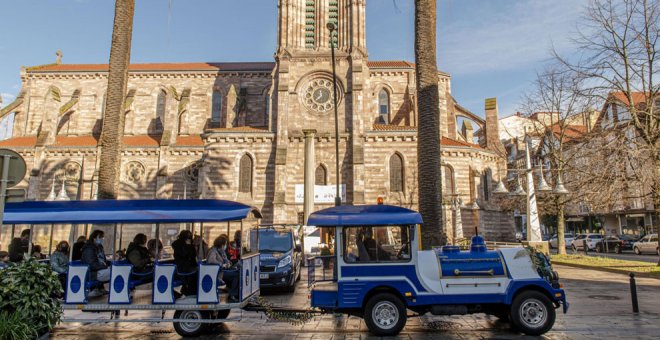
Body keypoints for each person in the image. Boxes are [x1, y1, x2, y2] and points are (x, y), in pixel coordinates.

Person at [207, 235, 239, 302]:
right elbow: (210, 260)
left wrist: (229, 263)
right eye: (225, 244)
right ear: (222, 245)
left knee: (237, 272)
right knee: (236, 275)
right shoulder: (213, 251)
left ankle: (231, 292)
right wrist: (222, 265)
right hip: (218, 273)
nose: (226, 246)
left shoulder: (221, 251)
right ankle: (232, 295)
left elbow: (225, 259)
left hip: (223, 270)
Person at [81, 230, 111, 295]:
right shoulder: (89, 249)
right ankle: (117, 292)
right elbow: (91, 265)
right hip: (93, 273)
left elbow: (103, 261)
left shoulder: (99, 247)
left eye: (102, 237)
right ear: (94, 238)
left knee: (115, 269)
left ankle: (100, 288)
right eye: (100, 237)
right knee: (115, 272)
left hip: (99, 270)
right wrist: (104, 266)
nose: (102, 239)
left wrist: (110, 264)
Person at [172, 230, 198, 296]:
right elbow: (184, 254)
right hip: (182, 266)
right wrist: (188, 246)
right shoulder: (178, 245)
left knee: (197, 271)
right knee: (194, 273)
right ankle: (189, 291)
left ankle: (189, 290)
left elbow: (194, 255)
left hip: (189, 265)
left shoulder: (190, 244)